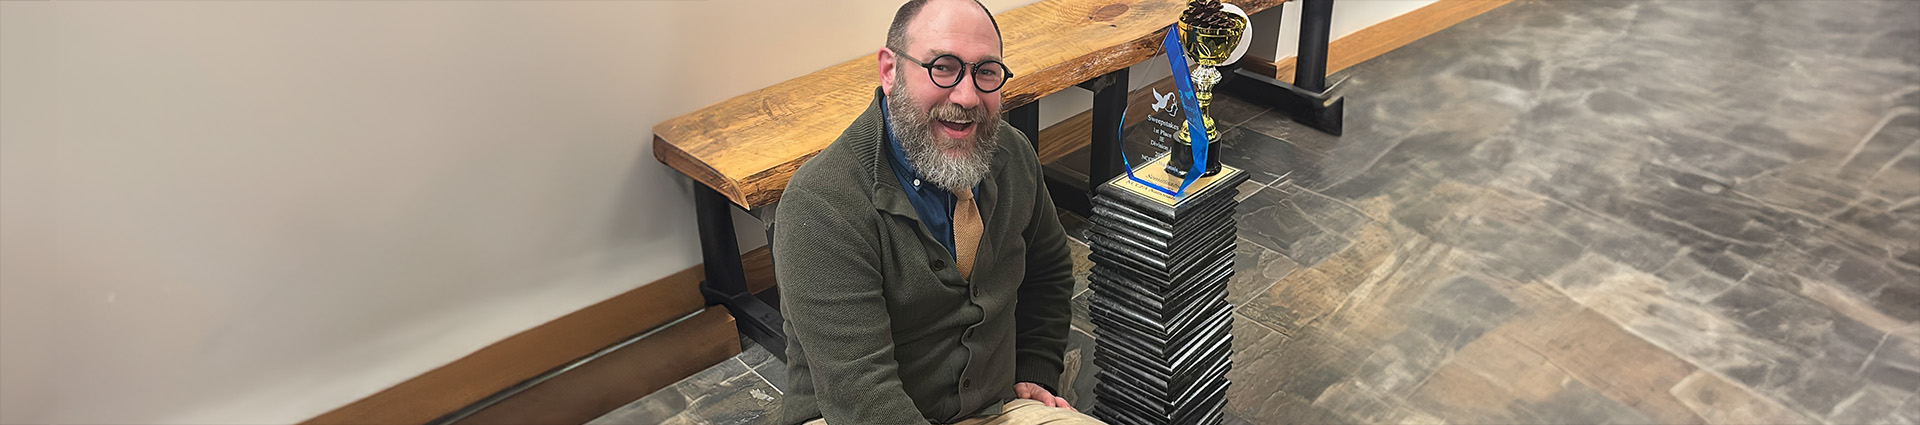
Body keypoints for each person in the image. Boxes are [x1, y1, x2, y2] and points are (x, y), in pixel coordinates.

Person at [769, 0, 1101, 424]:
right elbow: (861, 393)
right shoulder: (821, 204)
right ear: (890, 71)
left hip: (991, 405)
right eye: (943, 67)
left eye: (986, 72)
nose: (967, 96)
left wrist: (1036, 371)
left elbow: (1049, 270)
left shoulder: (1012, 154)